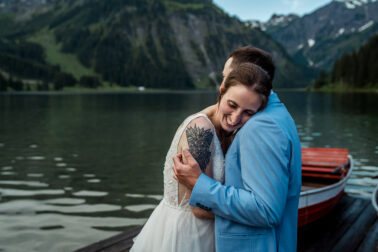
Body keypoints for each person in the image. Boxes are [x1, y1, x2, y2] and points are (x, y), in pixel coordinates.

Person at [130, 59, 273, 251]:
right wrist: (255, 214)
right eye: (232, 104)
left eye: (247, 112)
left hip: (212, 232)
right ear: (221, 92)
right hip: (188, 235)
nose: (235, 118)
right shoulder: (200, 130)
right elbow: (199, 208)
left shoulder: (232, 131)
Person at [173, 46, 302, 252]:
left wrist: (200, 183)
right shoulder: (275, 114)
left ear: (249, 75)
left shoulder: (261, 126)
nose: (221, 85)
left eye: (227, 77)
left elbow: (266, 209)